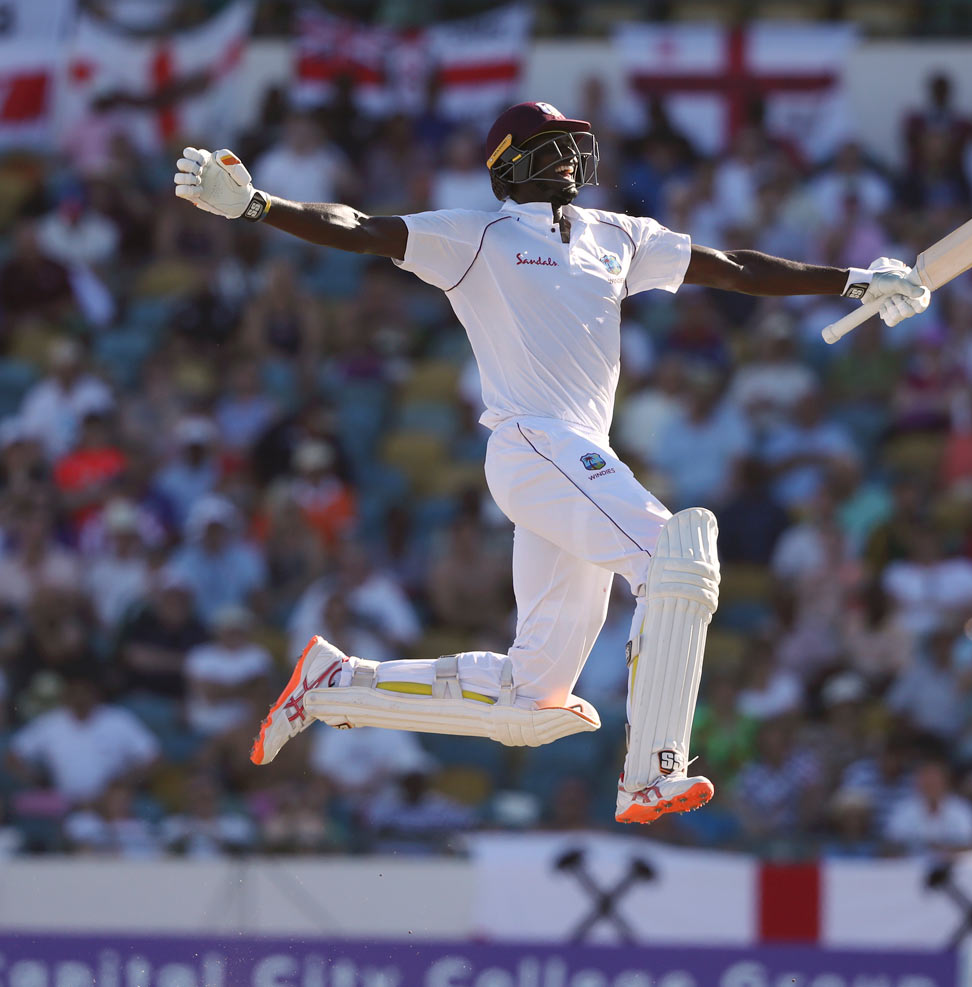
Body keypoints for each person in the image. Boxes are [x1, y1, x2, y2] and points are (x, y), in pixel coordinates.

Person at [174, 101, 931, 824]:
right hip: (532, 444)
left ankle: (337, 685)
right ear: (508, 168)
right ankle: (652, 770)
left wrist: (852, 279)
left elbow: (733, 267)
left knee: (530, 697)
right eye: (550, 145)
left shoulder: (617, 235)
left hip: (574, 464)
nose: (569, 155)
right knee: (672, 555)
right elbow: (363, 228)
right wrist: (257, 206)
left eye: (573, 143)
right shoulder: (477, 236)